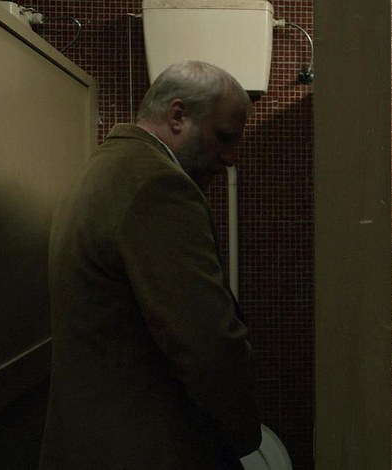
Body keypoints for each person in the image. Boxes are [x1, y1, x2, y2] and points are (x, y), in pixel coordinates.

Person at [40, 61, 261, 469]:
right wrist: (245, 433)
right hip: (147, 445)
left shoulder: (102, 166)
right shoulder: (158, 186)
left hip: (94, 439)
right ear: (178, 115)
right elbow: (206, 343)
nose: (231, 157)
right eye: (224, 137)